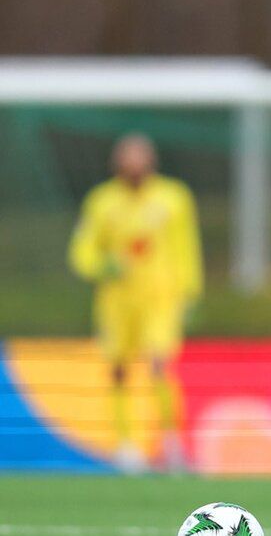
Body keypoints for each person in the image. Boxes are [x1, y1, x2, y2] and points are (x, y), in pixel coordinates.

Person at [68, 134, 202, 473]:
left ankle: (171, 443)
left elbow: (186, 247)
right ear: (117, 164)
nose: (134, 165)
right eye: (128, 159)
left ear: (151, 161)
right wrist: (102, 266)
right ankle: (127, 446)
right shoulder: (101, 202)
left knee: (159, 364)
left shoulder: (174, 197)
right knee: (118, 370)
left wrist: (190, 291)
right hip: (117, 300)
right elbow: (82, 251)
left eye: (139, 158)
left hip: (160, 297)